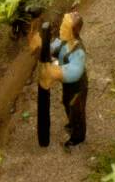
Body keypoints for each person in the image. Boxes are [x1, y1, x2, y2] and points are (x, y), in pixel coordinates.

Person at [30, 12, 88, 149]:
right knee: (67, 103)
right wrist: (40, 41)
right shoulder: (62, 43)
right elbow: (51, 48)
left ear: (73, 31)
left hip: (77, 87)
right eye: (62, 24)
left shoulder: (78, 51)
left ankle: (78, 137)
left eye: (65, 26)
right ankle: (72, 123)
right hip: (68, 86)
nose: (61, 28)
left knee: (76, 109)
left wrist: (54, 72)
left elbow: (75, 71)